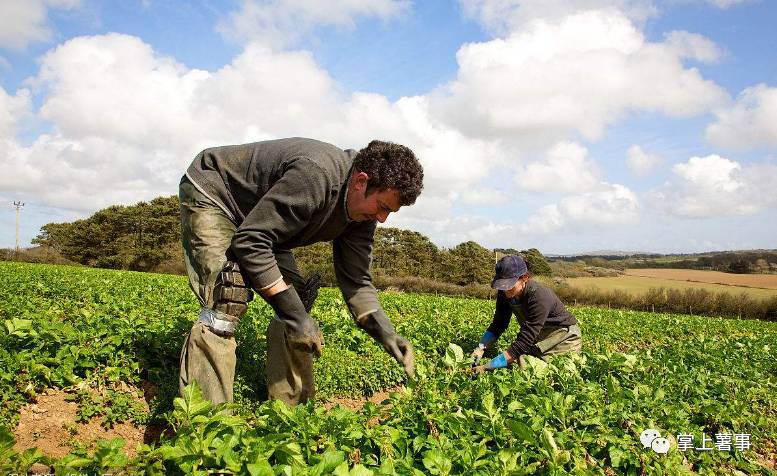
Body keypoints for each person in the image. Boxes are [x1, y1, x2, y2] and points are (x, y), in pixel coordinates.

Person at [178, 137, 423, 406]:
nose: (382, 219)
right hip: (217, 195)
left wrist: (385, 332)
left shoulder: (361, 216)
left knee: (297, 302)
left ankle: (290, 412)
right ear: (361, 181)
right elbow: (251, 241)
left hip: (264, 223)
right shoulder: (315, 176)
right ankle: (206, 427)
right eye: (383, 207)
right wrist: (294, 316)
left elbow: (357, 280)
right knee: (227, 298)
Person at [471, 255, 582, 372]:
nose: (504, 290)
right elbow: (499, 323)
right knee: (518, 363)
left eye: (509, 285)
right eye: (501, 285)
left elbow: (525, 340)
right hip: (538, 338)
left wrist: (486, 367)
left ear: (525, 278)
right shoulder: (504, 293)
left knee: (543, 371)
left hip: (564, 339)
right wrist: (480, 348)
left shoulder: (539, 296)